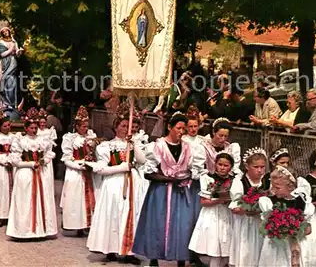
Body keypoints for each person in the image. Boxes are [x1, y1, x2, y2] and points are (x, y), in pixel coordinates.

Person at [132, 112, 198, 267]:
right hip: (160, 191)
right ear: (169, 127)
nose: (181, 132)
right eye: (178, 128)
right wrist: (169, 179)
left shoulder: (188, 147)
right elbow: (148, 173)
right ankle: (154, 258)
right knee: (157, 223)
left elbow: (192, 169)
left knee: (182, 224)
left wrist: (187, 177)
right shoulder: (157, 146)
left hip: (181, 192)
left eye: (184, 129)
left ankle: (180, 257)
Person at [86, 102, 146, 264]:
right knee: (113, 215)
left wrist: (133, 142)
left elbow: (142, 160)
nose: (126, 129)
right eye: (123, 126)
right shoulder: (107, 146)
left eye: (129, 126)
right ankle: (110, 248)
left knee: (129, 215)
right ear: (116, 127)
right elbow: (102, 169)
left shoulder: (133, 143)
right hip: (114, 185)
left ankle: (129, 251)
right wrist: (121, 167)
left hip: (132, 184)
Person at [6, 108, 57, 239]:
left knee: (42, 199)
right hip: (25, 173)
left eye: (35, 128)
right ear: (26, 128)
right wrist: (30, 164)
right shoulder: (20, 141)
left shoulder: (43, 140)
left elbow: (48, 155)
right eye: (32, 128)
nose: (34, 130)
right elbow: (15, 161)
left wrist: (43, 160)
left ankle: (41, 231)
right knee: (25, 202)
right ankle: (23, 231)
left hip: (41, 173)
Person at [258, 167, 314, 267]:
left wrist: (299, 230)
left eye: (277, 188)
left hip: (297, 243)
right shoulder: (270, 202)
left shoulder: (301, 201)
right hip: (277, 245)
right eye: (273, 187)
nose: (274, 190)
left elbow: (308, 228)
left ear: (290, 186)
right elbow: (267, 226)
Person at [188, 153, 235, 267]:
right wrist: (219, 199)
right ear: (215, 164)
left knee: (226, 248)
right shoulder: (208, 179)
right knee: (213, 246)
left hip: (227, 215)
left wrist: (230, 200)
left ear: (231, 167)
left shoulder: (234, 181)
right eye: (220, 164)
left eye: (226, 165)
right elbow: (203, 202)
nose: (222, 168)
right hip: (212, 215)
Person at [60, 106, 99, 235]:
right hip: (76, 170)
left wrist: (92, 163)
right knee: (76, 197)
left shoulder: (92, 136)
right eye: (83, 126)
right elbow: (67, 158)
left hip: (89, 169)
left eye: (86, 126)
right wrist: (78, 166)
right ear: (77, 126)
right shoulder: (70, 138)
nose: (85, 128)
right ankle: (77, 224)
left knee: (92, 195)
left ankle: (89, 223)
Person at [228, 147, 270, 267]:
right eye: (256, 167)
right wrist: (249, 209)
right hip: (246, 225)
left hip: (261, 224)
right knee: (246, 254)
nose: (260, 170)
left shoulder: (268, 182)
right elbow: (235, 209)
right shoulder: (239, 182)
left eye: (262, 167)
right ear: (247, 167)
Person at [0, 26, 24, 111]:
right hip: (4, 64)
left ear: (9, 31)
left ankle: (12, 104)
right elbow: (1, 55)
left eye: (6, 31)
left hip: (13, 63)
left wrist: (20, 51)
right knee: (4, 81)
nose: (5, 33)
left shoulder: (14, 41)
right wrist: (11, 50)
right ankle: (4, 103)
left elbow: (17, 53)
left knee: (12, 83)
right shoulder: (0, 43)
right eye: (3, 32)